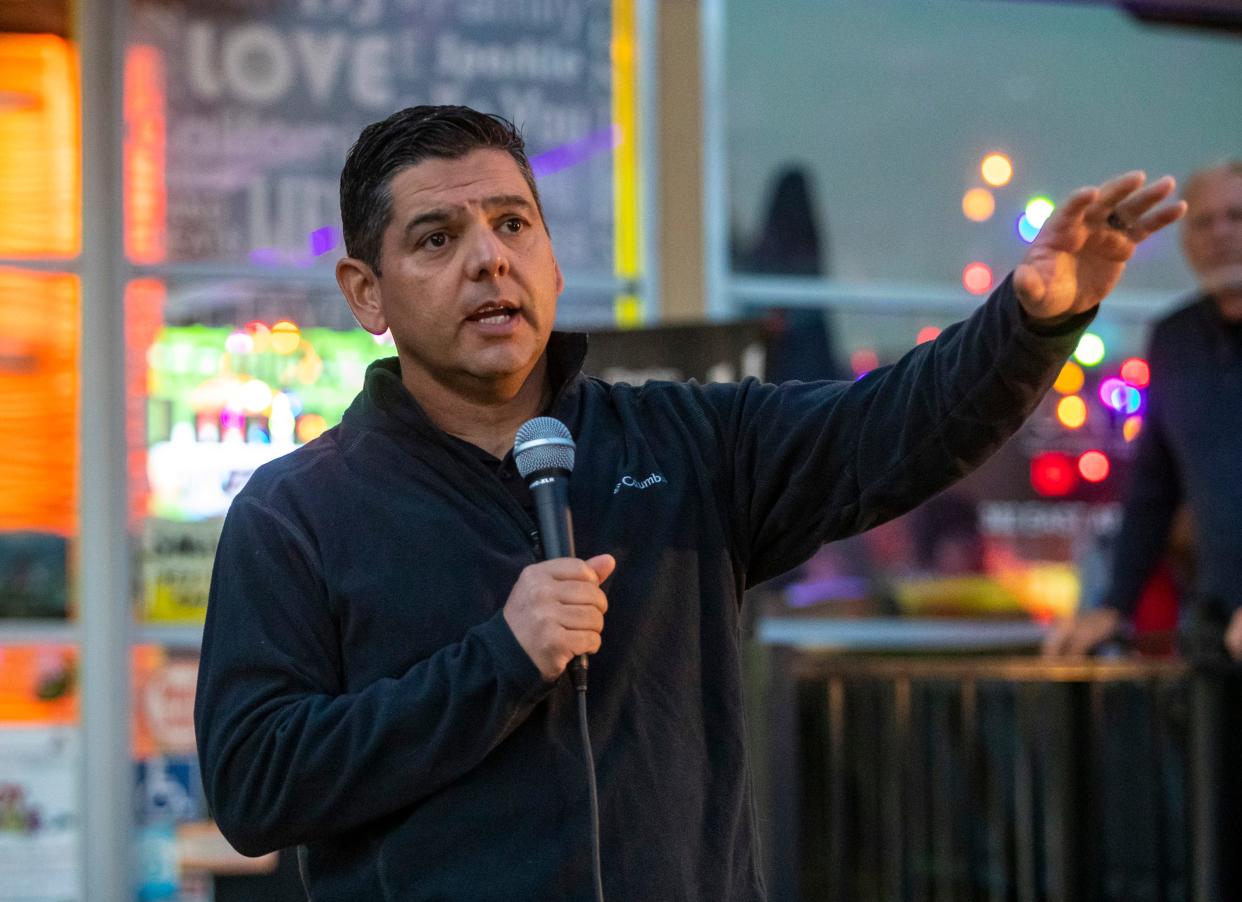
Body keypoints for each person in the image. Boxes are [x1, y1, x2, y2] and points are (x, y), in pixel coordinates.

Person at [193, 105, 1184, 901]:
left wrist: (1033, 319)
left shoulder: (686, 442)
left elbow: (892, 428)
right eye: (436, 237)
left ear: (550, 257)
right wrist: (496, 662)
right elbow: (255, 782)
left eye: (510, 223)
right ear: (367, 293)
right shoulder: (298, 515)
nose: (487, 259)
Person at [1043, 160, 1242, 662]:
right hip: (1218, 625)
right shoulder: (1174, 338)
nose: (1220, 233)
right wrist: (1114, 606)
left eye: (1237, 216)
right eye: (1204, 221)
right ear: (1186, 241)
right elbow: (1154, 484)